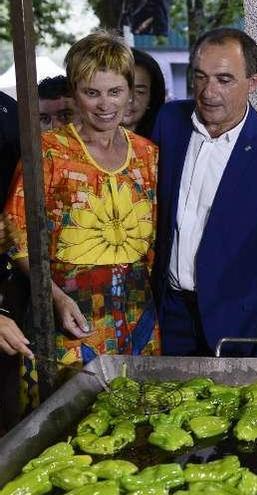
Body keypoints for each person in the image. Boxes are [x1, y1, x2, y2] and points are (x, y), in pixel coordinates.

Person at [4, 31, 162, 368]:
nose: (105, 105)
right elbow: (16, 239)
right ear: (74, 94)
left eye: (115, 92)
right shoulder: (48, 152)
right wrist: (56, 298)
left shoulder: (147, 154)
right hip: (68, 312)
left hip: (136, 312)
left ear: (129, 93)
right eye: (92, 93)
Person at [152, 28, 257, 357]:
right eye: (201, 77)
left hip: (236, 328)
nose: (208, 92)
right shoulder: (168, 123)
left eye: (224, 79)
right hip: (168, 316)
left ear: (254, 83)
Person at [123, 49, 166, 137]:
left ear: (151, 98)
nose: (130, 99)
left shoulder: (163, 143)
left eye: (140, 92)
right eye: (117, 91)